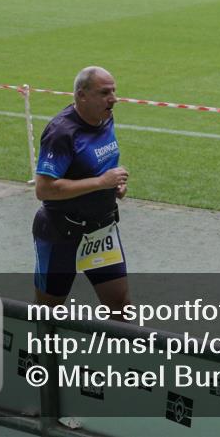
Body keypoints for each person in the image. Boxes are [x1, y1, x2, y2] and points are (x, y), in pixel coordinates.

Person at [32, 66, 131, 317]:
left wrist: (114, 186)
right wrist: (100, 183)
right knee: (49, 313)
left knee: (119, 306)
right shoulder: (61, 133)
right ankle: (43, 357)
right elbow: (44, 189)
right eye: (105, 92)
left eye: (114, 92)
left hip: (101, 230)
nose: (113, 99)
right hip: (61, 233)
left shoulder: (105, 117)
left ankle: (127, 356)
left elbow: (100, 164)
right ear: (81, 95)